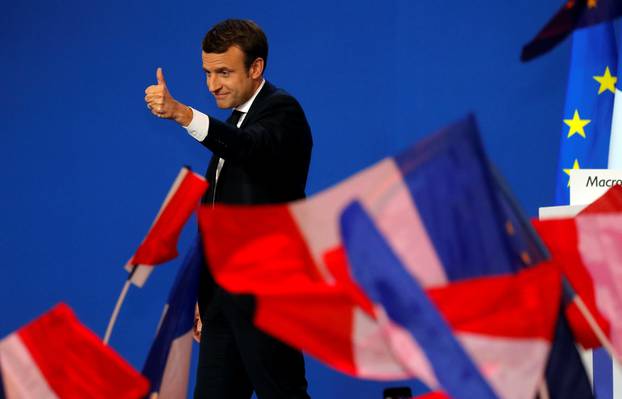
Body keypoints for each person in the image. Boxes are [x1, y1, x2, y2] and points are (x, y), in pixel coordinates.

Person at [144, 19, 312, 399]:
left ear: (256, 68)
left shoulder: (282, 111)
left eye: (223, 72)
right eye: (206, 72)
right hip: (222, 300)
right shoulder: (235, 121)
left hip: (270, 298)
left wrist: (183, 114)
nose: (212, 85)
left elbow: (246, 147)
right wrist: (206, 294)